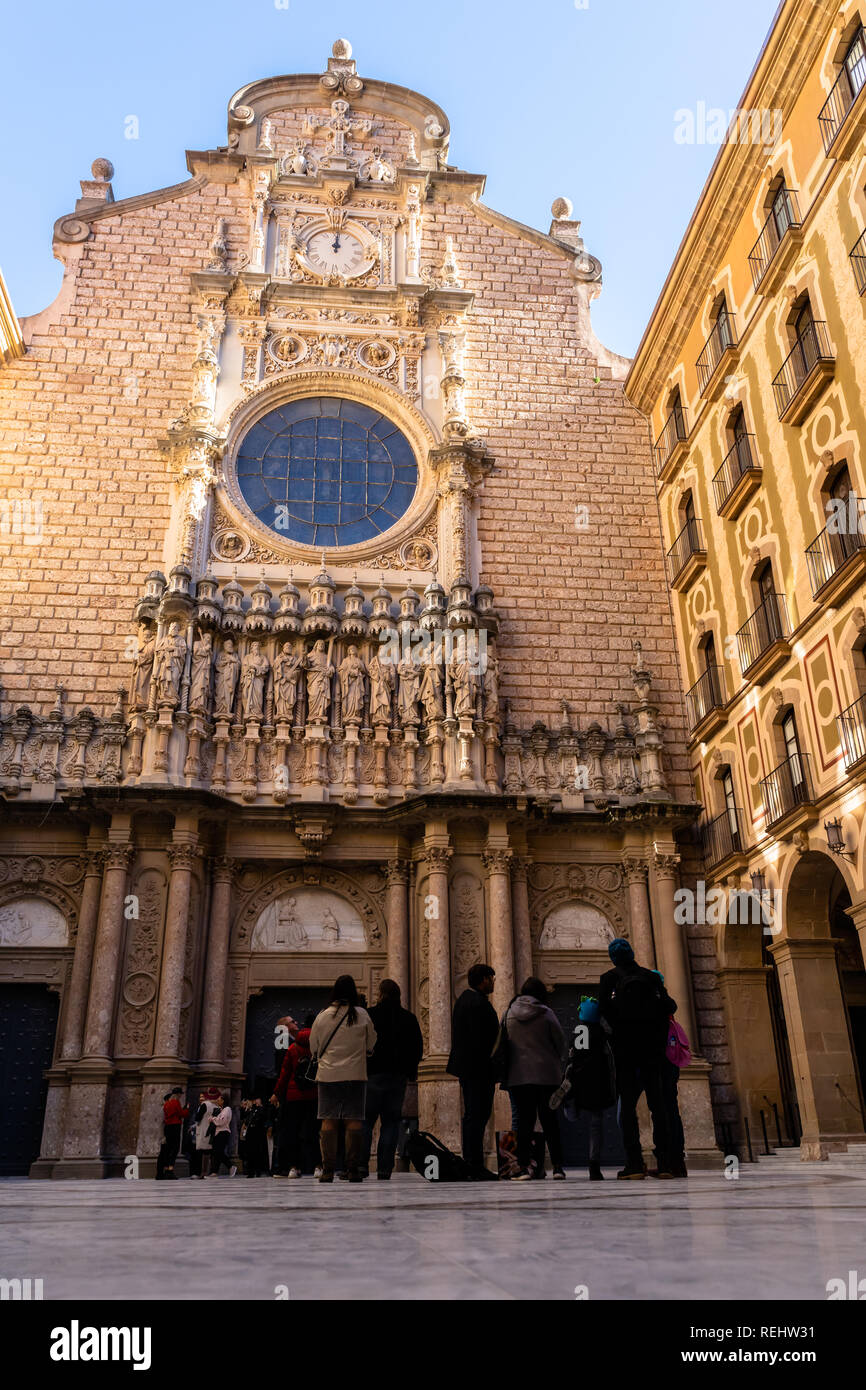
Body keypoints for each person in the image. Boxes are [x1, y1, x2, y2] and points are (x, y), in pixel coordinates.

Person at [599, 938, 677, 1180]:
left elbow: (603, 1012)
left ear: (613, 958)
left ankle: (634, 1163)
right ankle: (664, 1163)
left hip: (625, 1054)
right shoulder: (650, 977)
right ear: (632, 953)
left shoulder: (608, 978)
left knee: (627, 1109)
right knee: (658, 1107)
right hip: (652, 1053)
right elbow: (670, 1006)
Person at [309, 976, 376, 1183]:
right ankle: (353, 1169)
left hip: (328, 1075)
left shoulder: (323, 1016)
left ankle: (328, 1170)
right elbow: (372, 1042)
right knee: (354, 1120)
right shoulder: (362, 1015)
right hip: (355, 1075)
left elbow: (314, 1047)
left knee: (328, 1119)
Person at [500, 977, 567, 1180]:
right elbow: (561, 1042)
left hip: (518, 1078)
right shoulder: (546, 1013)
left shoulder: (508, 1013)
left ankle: (522, 1167)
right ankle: (557, 1167)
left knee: (524, 1124)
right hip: (546, 1077)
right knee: (550, 1122)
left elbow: (502, 1043)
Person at [361, 979, 424, 1180]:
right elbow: (417, 1048)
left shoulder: (370, 1015)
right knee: (390, 1122)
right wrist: (410, 1072)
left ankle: (361, 1166)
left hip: (372, 1075)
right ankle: (384, 1169)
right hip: (397, 1077)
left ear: (380, 994)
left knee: (366, 1122)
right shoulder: (408, 1018)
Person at [447, 962, 499, 1179]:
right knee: (477, 1116)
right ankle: (474, 1164)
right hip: (479, 1069)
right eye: (491, 978)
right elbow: (483, 1039)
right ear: (483, 980)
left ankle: (472, 1162)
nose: (493, 982)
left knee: (473, 1116)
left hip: (469, 1069)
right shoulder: (478, 1004)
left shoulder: (463, 1001)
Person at [559, 997, 617, 1180]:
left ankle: (568, 1105)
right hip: (596, 1082)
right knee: (596, 1123)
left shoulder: (577, 1031)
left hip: (578, 1080)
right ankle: (594, 1164)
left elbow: (571, 1053)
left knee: (573, 1113)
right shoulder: (601, 1032)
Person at [654, 970, 690, 1179]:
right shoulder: (668, 1003)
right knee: (672, 1110)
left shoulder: (652, 1003)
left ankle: (665, 1162)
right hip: (671, 1062)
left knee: (660, 1111)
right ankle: (677, 1161)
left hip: (657, 1062)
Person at [271, 1022, 319, 1178]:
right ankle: (318, 1166)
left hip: (293, 1096)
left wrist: (277, 1093)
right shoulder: (317, 1049)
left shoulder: (292, 1049)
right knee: (313, 1132)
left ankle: (293, 1167)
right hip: (313, 1094)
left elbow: (284, 1074)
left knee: (293, 1132)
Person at [155, 1087, 189, 1180]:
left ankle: (164, 1170)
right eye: (180, 1094)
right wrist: (187, 1109)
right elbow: (182, 1114)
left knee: (167, 1150)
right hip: (175, 1127)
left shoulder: (167, 1104)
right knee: (174, 1148)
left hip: (167, 1128)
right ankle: (170, 1171)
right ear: (178, 1094)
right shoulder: (175, 1102)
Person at [194, 1088, 221, 1179]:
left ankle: (199, 1173)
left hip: (202, 1130)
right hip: (212, 1132)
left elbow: (197, 1117)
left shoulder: (204, 1104)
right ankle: (205, 1172)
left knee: (200, 1152)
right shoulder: (217, 1107)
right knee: (208, 1152)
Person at [210, 1094, 237, 1177]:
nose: (217, 1101)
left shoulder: (227, 1109)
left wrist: (213, 1119)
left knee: (218, 1152)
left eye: (219, 1099)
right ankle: (214, 1172)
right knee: (216, 1152)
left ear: (223, 1101)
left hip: (223, 1132)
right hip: (218, 1133)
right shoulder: (222, 1110)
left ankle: (231, 1166)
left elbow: (221, 1122)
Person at [244, 1098, 270, 1178]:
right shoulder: (252, 1110)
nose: (255, 1101)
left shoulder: (262, 1109)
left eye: (257, 1099)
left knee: (258, 1152)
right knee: (250, 1152)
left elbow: (263, 1118)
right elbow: (247, 1120)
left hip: (258, 1133)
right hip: (250, 1133)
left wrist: (260, 1106)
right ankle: (251, 1171)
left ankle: (258, 1171)